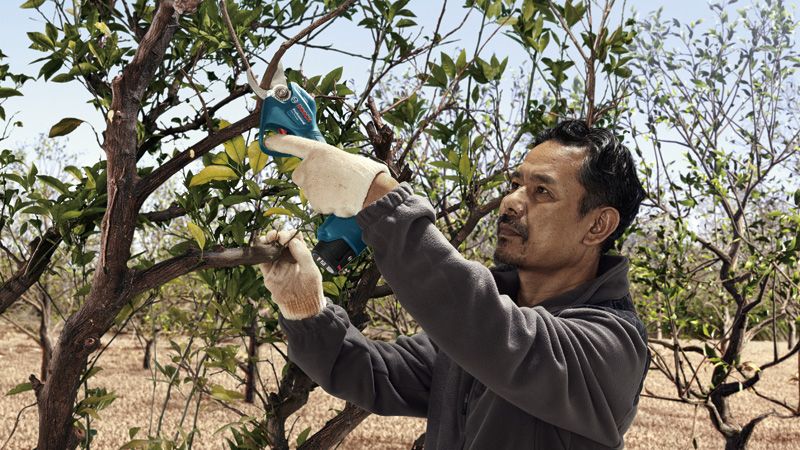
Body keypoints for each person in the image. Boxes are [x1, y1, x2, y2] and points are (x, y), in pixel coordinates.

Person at [256, 119, 649, 449]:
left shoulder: (611, 346)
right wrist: (306, 309)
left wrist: (377, 196)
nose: (510, 202)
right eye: (515, 184)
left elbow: (494, 329)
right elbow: (377, 374)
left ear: (598, 225)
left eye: (541, 191)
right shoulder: (483, 326)